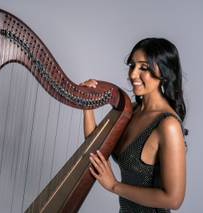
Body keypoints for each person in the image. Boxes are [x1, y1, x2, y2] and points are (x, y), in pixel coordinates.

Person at [81, 38, 187, 212]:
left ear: (164, 73)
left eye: (144, 68)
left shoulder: (168, 125)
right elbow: (96, 150)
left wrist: (114, 186)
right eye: (132, 65)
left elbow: (173, 200)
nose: (133, 74)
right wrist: (87, 106)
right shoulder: (133, 110)